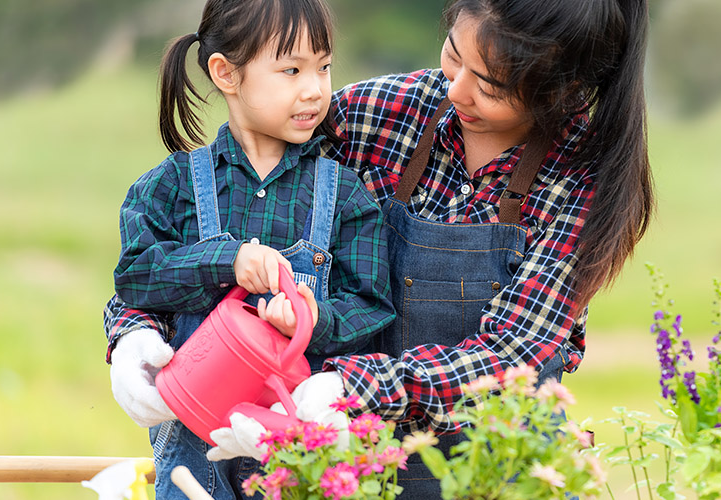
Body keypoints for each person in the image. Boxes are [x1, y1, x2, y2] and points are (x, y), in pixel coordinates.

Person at [106, 0, 652, 496]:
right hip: (354, 473)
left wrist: (348, 389)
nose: (456, 90)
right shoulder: (381, 113)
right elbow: (237, 204)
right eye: (453, 56)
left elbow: (511, 355)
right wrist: (134, 330)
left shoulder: (585, 179)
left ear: (561, 89)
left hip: (495, 471)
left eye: (490, 87)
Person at [108, 0, 394, 497]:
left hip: (292, 444)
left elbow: (373, 305)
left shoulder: (344, 194)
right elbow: (135, 275)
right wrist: (227, 261)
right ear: (226, 73)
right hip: (194, 436)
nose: (315, 89)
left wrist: (313, 318)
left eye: (323, 67)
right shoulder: (171, 185)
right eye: (291, 69)